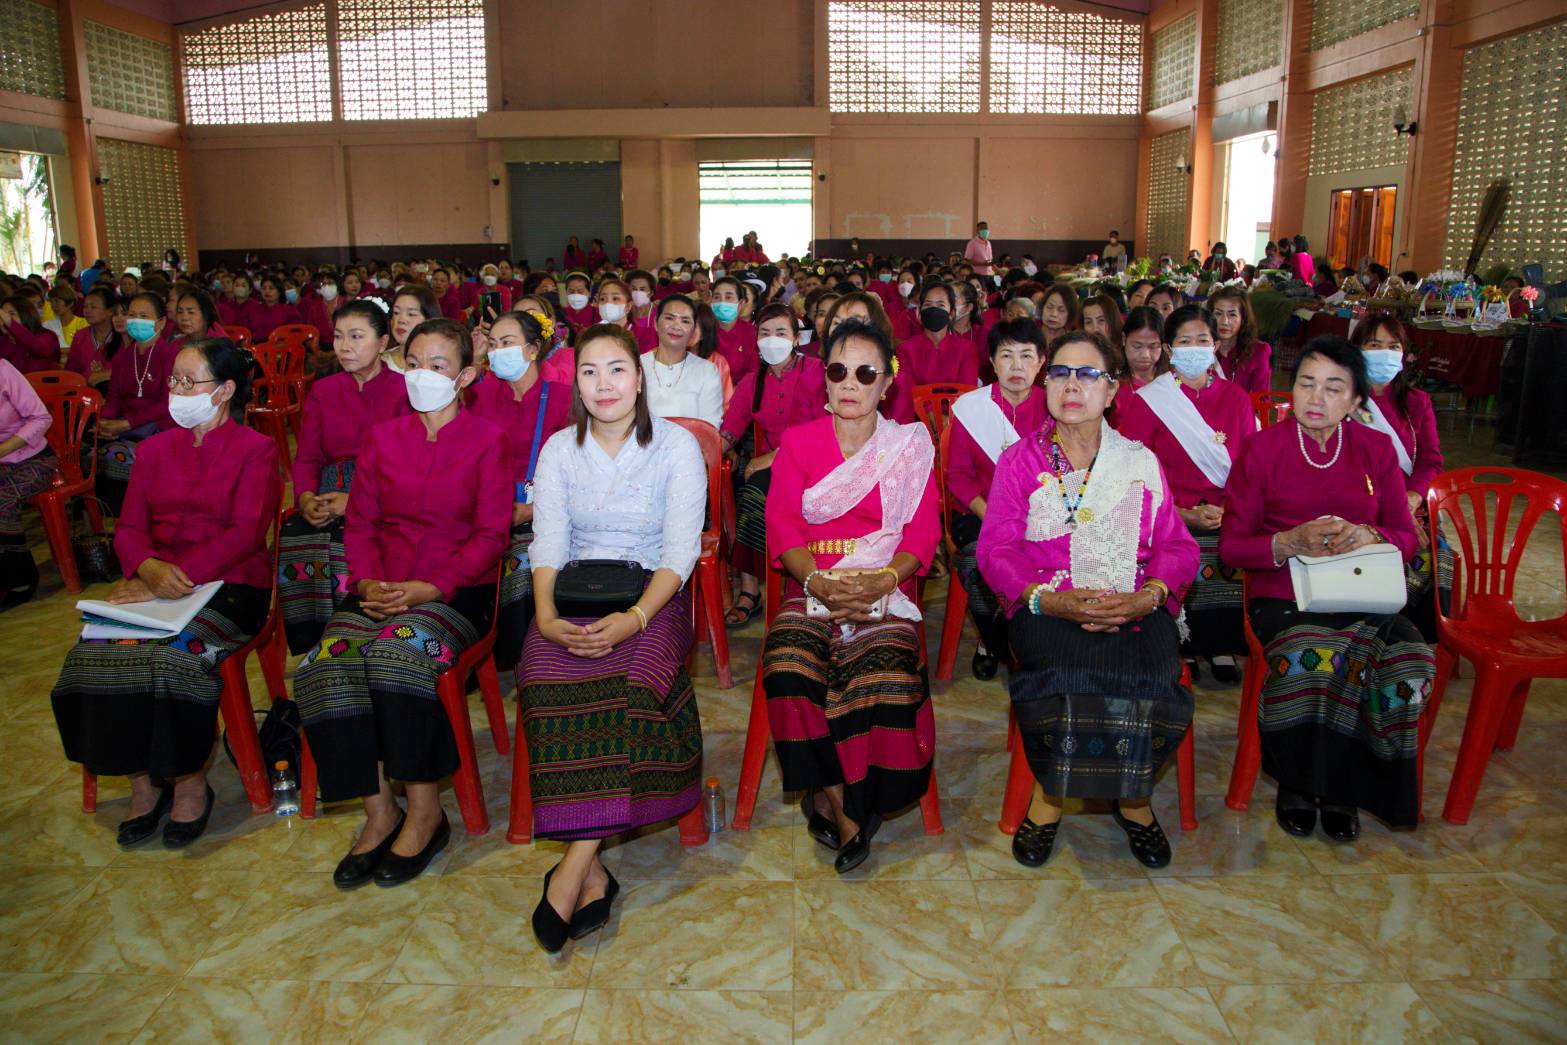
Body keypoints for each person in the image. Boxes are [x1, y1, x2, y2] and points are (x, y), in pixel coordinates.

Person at [294, 317, 513, 888]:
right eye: (412, 364)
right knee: (325, 664)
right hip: (380, 584)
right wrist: (366, 582)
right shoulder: (383, 438)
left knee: (396, 657)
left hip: (456, 591)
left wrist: (431, 587)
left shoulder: (488, 441)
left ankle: (424, 809)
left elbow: (491, 537)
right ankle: (378, 809)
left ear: (465, 375)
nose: (421, 376)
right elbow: (361, 523)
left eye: (437, 366)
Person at [978, 330, 1199, 869]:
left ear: (1112, 391)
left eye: (1087, 374)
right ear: (1045, 385)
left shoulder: (1139, 461)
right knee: (1065, 671)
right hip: (1048, 603)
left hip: (1134, 602)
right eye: (1059, 373)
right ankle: (1049, 799)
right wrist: (1050, 600)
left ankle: (1136, 800)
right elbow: (996, 551)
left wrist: (1148, 597)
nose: (1070, 385)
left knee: (1151, 676)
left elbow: (1177, 546)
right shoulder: (1019, 461)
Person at [520, 324, 706, 952]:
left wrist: (634, 620)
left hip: (652, 598)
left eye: (618, 369)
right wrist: (545, 618)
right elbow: (546, 545)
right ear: (576, 382)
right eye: (591, 371)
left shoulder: (675, 447)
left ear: (640, 376)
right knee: (545, 675)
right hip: (570, 596)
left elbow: (681, 553)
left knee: (629, 682)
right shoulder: (558, 450)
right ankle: (593, 865)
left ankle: (572, 868)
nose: (605, 385)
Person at [51, 339, 280, 848]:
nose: (176, 390)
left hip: (230, 586)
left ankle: (188, 781)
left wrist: (178, 574)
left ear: (223, 391)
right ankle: (139, 780)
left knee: (176, 660)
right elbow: (130, 526)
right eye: (172, 380)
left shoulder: (255, 449)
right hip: (154, 585)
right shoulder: (154, 450)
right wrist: (148, 568)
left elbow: (245, 534)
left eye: (188, 381)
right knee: (94, 656)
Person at [1221, 335, 1433, 841]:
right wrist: (1289, 541)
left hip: (1362, 592)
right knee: (1313, 648)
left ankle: (1346, 787)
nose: (1316, 399)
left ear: (1357, 400)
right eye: (1306, 384)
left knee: (1409, 657)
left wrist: (1369, 534)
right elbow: (1232, 547)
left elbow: (1405, 539)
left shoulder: (1376, 449)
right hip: (1282, 593)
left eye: (1334, 388)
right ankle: (1299, 782)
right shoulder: (1260, 449)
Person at [760, 319, 940, 875]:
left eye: (867, 373)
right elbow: (783, 523)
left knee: (883, 667)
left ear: (887, 383)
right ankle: (840, 803)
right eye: (838, 370)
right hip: (812, 584)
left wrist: (883, 581)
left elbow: (923, 531)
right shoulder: (799, 442)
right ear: (826, 379)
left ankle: (851, 797)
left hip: (884, 586)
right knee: (788, 664)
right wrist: (817, 582)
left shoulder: (907, 446)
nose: (850, 383)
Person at [1115, 304, 1257, 685]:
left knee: (1239, 544)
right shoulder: (1149, 401)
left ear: (1215, 345)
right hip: (1169, 512)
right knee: (1181, 546)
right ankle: (1185, 643)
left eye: (1203, 340)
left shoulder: (1237, 399)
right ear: (1168, 348)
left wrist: (1230, 511)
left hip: (1228, 509)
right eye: (1185, 341)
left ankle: (1222, 644)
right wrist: (1181, 513)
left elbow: (1250, 470)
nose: (1195, 348)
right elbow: (1134, 472)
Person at [277, 300, 410, 653]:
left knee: (343, 543)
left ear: (382, 343)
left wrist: (355, 502)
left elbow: (406, 466)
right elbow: (307, 456)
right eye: (337, 337)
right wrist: (305, 497)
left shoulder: (404, 390)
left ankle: (352, 638)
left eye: (355, 336)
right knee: (294, 535)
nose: (344, 346)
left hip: (381, 491)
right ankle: (313, 645)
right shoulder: (324, 390)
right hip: (327, 488)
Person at [470, 309, 573, 671]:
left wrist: (534, 510)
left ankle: (523, 655)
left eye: (508, 344)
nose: (498, 352)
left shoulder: (563, 398)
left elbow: (575, 471)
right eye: (492, 345)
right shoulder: (479, 398)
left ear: (532, 350)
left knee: (522, 558)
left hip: (546, 509)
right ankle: (470, 647)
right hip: (490, 508)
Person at [946, 319, 1049, 679]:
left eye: (1026, 355)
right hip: (980, 511)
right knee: (978, 560)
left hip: (1045, 512)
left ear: (1041, 362)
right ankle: (992, 639)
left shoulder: (1057, 407)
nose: (1016, 366)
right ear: (991, 360)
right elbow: (957, 476)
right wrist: (992, 515)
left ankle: (1038, 639)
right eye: (1006, 355)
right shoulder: (970, 408)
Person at [719, 303, 827, 627]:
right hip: (773, 473)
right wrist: (697, 452)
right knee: (750, 493)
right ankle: (751, 590)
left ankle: (804, 584)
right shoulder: (753, 382)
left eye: (780, 332)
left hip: (816, 464)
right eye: (765, 333)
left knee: (760, 484)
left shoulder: (817, 371)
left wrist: (773, 456)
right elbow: (728, 431)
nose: (772, 340)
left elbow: (824, 429)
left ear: (796, 338)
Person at [1349, 312, 1447, 640]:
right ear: (1356, 350)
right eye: (1374, 345)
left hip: (1410, 504)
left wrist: (1413, 498)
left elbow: (1430, 461)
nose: (1384, 354)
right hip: (1360, 506)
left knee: (1428, 549)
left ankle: (1407, 639)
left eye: (1393, 347)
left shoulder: (1417, 403)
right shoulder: (1343, 401)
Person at [95, 292, 177, 513]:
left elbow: (168, 403)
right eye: (132, 315)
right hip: (126, 428)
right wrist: (105, 423)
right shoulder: (123, 358)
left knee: (114, 457)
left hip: (160, 427)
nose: (135, 320)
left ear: (160, 322)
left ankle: (133, 519)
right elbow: (113, 400)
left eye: (143, 315)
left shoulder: (170, 355)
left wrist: (127, 423)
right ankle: (106, 524)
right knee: (89, 455)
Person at [0, 358, 57, 604]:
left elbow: (41, 418)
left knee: (2, 500)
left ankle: (19, 576)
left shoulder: (3, 370)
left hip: (31, 458)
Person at [641, 294, 723, 428]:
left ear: (693, 330)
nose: (676, 326)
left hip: (690, 446)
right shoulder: (637, 366)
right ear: (656, 323)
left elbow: (709, 426)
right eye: (669, 318)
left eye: (685, 321)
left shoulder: (707, 371)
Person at [1207, 284, 1272, 394]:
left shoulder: (1259, 352)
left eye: (1232, 315)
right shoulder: (1201, 348)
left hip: (1242, 411)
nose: (1224, 321)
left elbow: (1262, 400)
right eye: (1218, 313)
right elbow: (1178, 382)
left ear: (1243, 319)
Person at [64, 286, 124, 391]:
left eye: (93, 307)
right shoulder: (80, 336)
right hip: (83, 393)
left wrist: (105, 375)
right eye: (85, 307)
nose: (87, 311)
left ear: (109, 311)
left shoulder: (123, 336)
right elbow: (71, 371)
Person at [709, 276, 758, 383]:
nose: (722, 302)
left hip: (741, 394)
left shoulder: (752, 333)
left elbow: (753, 375)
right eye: (717, 297)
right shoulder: (703, 331)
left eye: (728, 297)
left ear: (741, 304)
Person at [385, 284, 439, 373]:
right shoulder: (380, 362)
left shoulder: (440, 366)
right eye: (396, 312)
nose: (401, 320)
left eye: (411, 314)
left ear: (429, 319)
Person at [0, 294, 59, 374]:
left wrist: (10, 323)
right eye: (2, 315)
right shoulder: (4, 339)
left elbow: (37, 346)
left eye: (12, 313)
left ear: (26, 314)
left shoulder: (47, 336)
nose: (4, 318)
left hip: (37, 385)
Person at [246, 276, 302, 343]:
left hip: (281, 347)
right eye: (264, 288)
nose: (267, 291)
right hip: (256, 347)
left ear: (279, 291)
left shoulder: (290, 311)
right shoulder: (252, 310)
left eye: (271, 288)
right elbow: (246, 333)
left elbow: (295, 335)